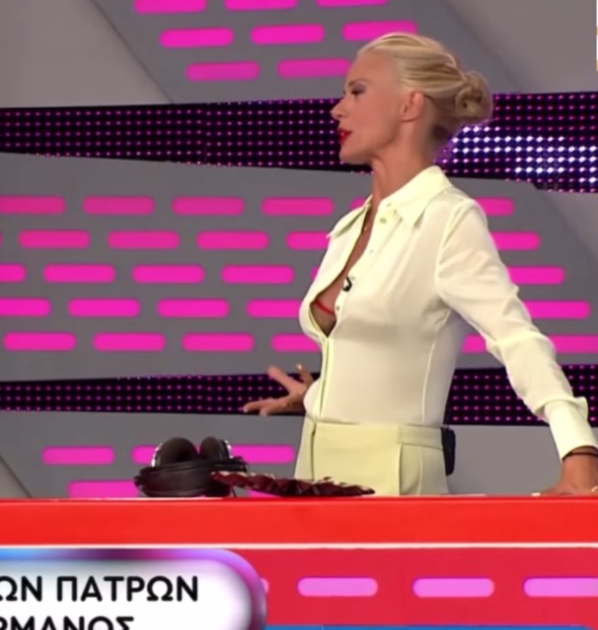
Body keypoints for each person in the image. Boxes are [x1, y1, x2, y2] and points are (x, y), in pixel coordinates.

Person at [242, 33, 598, 496]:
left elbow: (515, 338)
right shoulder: (350, 227)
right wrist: (318, 397)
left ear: (409, 105)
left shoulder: (448, 219)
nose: (337, 110)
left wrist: (579, 448)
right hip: (314, 467)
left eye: (357, 92)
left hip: (392, 479)